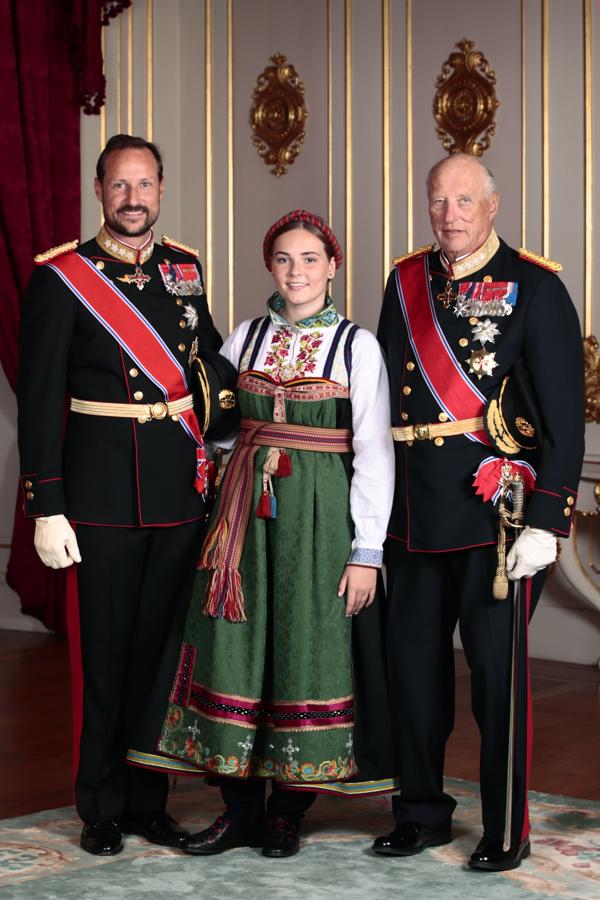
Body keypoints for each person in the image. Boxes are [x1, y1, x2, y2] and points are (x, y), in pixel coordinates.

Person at [153, 210, 397, 858]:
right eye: (284, 259)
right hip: (244, 521)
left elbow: (374, 452)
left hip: (318, 524)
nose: (297, 271)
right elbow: (222, 424)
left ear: (333, 266)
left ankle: (288, 810)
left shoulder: (356, 345)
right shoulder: (246, 337)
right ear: (270, 266)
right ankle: (240, 811)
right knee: (236, 644)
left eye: (310, 259)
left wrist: (366, 551)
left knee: (304, 647)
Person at [373, 154, 585, 871]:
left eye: (465, 200)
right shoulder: (404, 283)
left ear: (494, 206)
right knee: (413, 676)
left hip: (497, 518)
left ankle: (505, 828)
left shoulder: (536, 286)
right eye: (439, 200)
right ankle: (422, 813)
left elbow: (563, 418)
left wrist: (549, 522)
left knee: (497, 682)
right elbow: (381, 410)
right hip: (411, 513)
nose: (451, 213)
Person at [17, 134, 223, 856]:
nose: (133, 199)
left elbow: (211, 373)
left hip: (176, 495)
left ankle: (146, 801)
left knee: (161, 661)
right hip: (99, 500)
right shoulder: (63, 277)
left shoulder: (186, 271)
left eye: (145, 185)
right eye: (119, 186)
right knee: (103, 661)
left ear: (161, 190)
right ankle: (100, 803)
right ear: (99, 192)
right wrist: (47, 502)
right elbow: (41, 399)